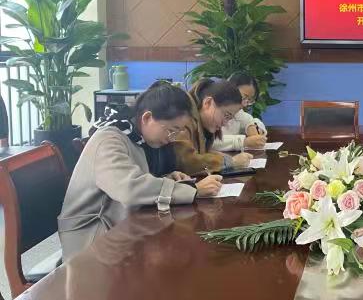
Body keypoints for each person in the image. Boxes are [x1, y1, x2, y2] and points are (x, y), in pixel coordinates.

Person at [58, 81, 223, 261]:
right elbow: (129, 188)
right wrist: (194, 190)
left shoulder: (135, 138)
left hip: (119, 228)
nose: (172, 139)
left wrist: (167, 178)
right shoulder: (109, 139)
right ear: (147, 118)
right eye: (171, 130)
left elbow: (133, 178)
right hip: (92, 242)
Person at [174, 79, 253, 175]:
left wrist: (222, 158)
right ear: (208, 103)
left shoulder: (202, 124)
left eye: (229, 118)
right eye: (226, 115)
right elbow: (187, 163)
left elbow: (199, 154)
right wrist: (231, 162)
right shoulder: (183, 118)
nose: (225, 123)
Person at [212, 72, 268, 152]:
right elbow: (208, 141)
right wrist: (244, 142)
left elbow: (250, 120)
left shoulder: (238, 113)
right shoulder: (212, 108)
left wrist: (252, 126)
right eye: (243, 97)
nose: (245, 104)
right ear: (229, 90)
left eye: (250, 100)